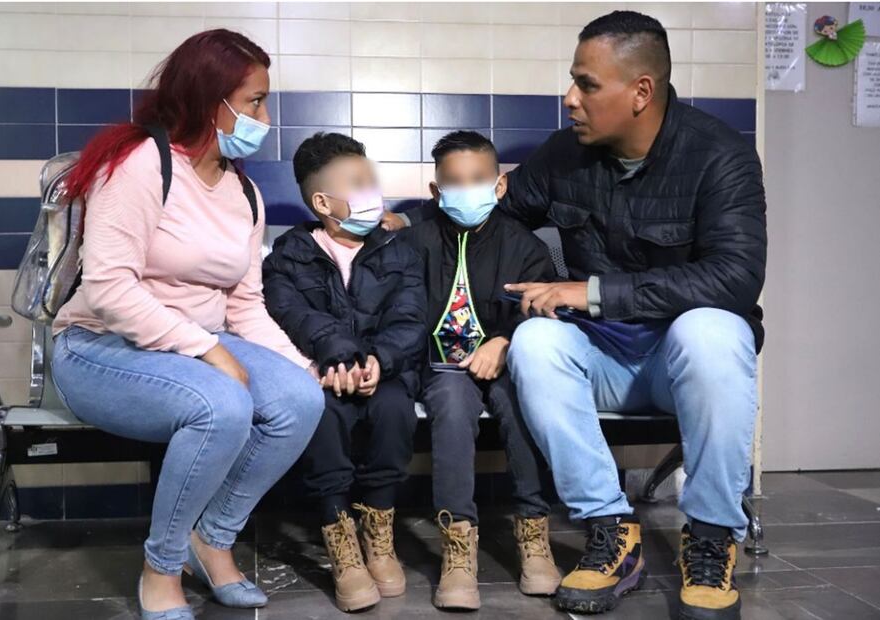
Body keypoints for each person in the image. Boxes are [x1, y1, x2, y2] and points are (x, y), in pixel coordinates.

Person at [485, 11, 763, 620]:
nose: (570, 98)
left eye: (586, 84)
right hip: (602, 358)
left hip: (680, 363)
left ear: (641, 91)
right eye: (573, 81)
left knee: (714, 329)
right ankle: (611, 530)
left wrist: (588, 291)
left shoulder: (720, 155)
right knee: (535, 341)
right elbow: (496, 221)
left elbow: (735, 278)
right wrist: (409, 225)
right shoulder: (564, 155)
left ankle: (711, 538)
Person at [49, 30, 324, 620]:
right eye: (254, 102)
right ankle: (162, 566)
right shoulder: (140, 166)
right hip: (99, 345)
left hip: (194, 347)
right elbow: (109, 288)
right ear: (208, 100)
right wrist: (207, 349)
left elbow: (245, 306)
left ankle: (213, 538)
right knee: (221, 405)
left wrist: (303, 366)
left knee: (301, 400)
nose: (265, 119)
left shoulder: (244, 193)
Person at [262, 133, 426, 613]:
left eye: (373, 180)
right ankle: (340, 536)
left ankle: (379, 531)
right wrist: (336, 356)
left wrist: (380, 360)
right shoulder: (290, 254)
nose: (374, 192)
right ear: (323, 202)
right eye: (359, 183)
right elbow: (291, 312)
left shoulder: (398, 250)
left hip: (384, 372)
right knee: (324, 413)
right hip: (324, 372)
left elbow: (410, 317)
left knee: (395, 411)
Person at [399, 131, 562, 610]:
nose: (466, 190)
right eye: (454, 182)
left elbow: (547, 310)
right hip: (439, 366)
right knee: (451, 405)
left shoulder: (525, 247)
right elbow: (399, 312)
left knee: (521, 401)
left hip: (506, 362)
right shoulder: (413, 244)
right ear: (436, 191)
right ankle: (458, 545)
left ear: (500, 185)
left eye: (477, 179)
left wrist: (505, 342)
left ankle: (533, 534)